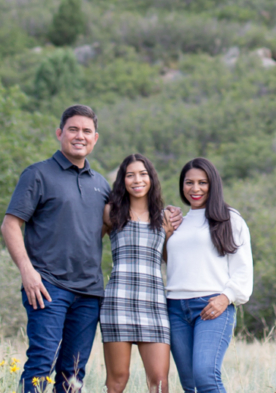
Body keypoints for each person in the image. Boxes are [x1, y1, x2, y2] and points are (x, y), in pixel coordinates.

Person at [3, 105, 111, 393]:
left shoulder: (101, 184)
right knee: (41, 363)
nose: (80, 136)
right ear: (60, 133)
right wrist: (28, 272)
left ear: (95, 138)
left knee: (74, 372)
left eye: (86, 131)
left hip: (89, 293)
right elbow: (10, 224)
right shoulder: (38, 174)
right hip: (47, 287)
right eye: (73, 129)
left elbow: (102, 229)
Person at [164, 157, 253, 393]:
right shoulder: (178, 222)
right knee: (189, 384)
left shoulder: (229, 218)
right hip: (174, 308)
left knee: (205, 377)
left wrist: (226, 297)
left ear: (213, 184)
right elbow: (171, 262)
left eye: (202, 182)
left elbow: (243, 269)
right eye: (189, 182)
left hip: (212, 306)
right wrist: (166, 234)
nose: (195, 189)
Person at [101, 154, 174, 393]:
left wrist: (170, 234)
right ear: (123, 181)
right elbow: (87, 246)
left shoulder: (163, 217)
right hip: (118, 302)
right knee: (117, 380)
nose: (137, 180)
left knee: (159, 382)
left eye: (142, 174)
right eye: (130, 175)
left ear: (151, 179)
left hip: (153, 304)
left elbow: (168, 260)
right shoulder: (111, 212)